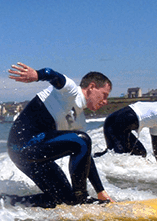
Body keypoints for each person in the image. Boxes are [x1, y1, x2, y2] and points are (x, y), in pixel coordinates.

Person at [6, 62, 112, 207]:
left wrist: (100, 190)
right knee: (82, 140)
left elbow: (85, 156)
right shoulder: (70, 91)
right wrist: (37, 75)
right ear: (92, 87)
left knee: (63, 201)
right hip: (21, 146)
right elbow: (52, 74)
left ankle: (6, 202)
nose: (105, 101)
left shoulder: (79, 120)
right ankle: (82, 199)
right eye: (104, 95)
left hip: (35, 157)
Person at [98, 94, 157, 167]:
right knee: (117, 156)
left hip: (116, 124)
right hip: (114, 124)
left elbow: (156, 142)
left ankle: (95, 160)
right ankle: (94, 162)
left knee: (140, 153)